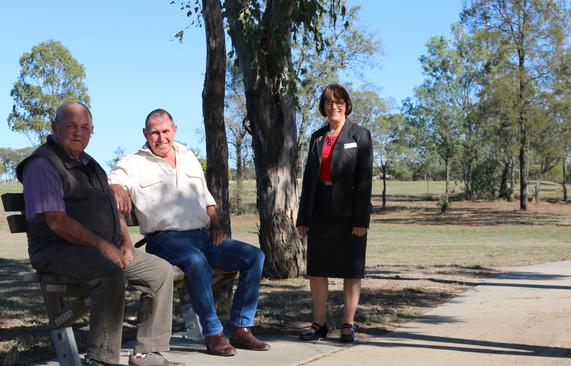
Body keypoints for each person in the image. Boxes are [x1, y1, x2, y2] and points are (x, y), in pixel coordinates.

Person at [16, 102, 183, 366]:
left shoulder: (90, 164)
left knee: (160, 272)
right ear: (54, 127)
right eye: (70, 126)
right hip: (57, 250)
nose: (78, 133)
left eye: (85, 128)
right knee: (111, 274)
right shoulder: (43, 164)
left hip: (104, 247)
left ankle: (146, 353)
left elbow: (112, 208)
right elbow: (56, 221)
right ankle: (101, 359)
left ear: (92, 131)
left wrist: (125, 242)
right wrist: (103, 247)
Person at [108, 108, 270, 357]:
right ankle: (213, 333)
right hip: (165, 241)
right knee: (196, 260)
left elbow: (205, 196)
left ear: (174, 130)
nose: (161, 138)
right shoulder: (133, 162)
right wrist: (118, 188)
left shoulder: (187, 155)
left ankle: (241, 328)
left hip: (203, 236)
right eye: (154, 133)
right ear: (145, 134)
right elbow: (112, 182)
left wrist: (215, 224)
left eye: (165, 131)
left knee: (254, 256)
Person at [296, 84, 373, 343]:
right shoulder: (317, 137)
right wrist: (303, 217)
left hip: (349, 213)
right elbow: (309, 179)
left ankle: (348, 324)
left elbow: (365, 180)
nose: (334, 106)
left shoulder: (360, 135)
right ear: (323, 107)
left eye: (339, 101)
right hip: (320, 210)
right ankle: (319, 323)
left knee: (351, 270)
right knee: (318, 270)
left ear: (347, 105)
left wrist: (361, 219)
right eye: (329, 102)